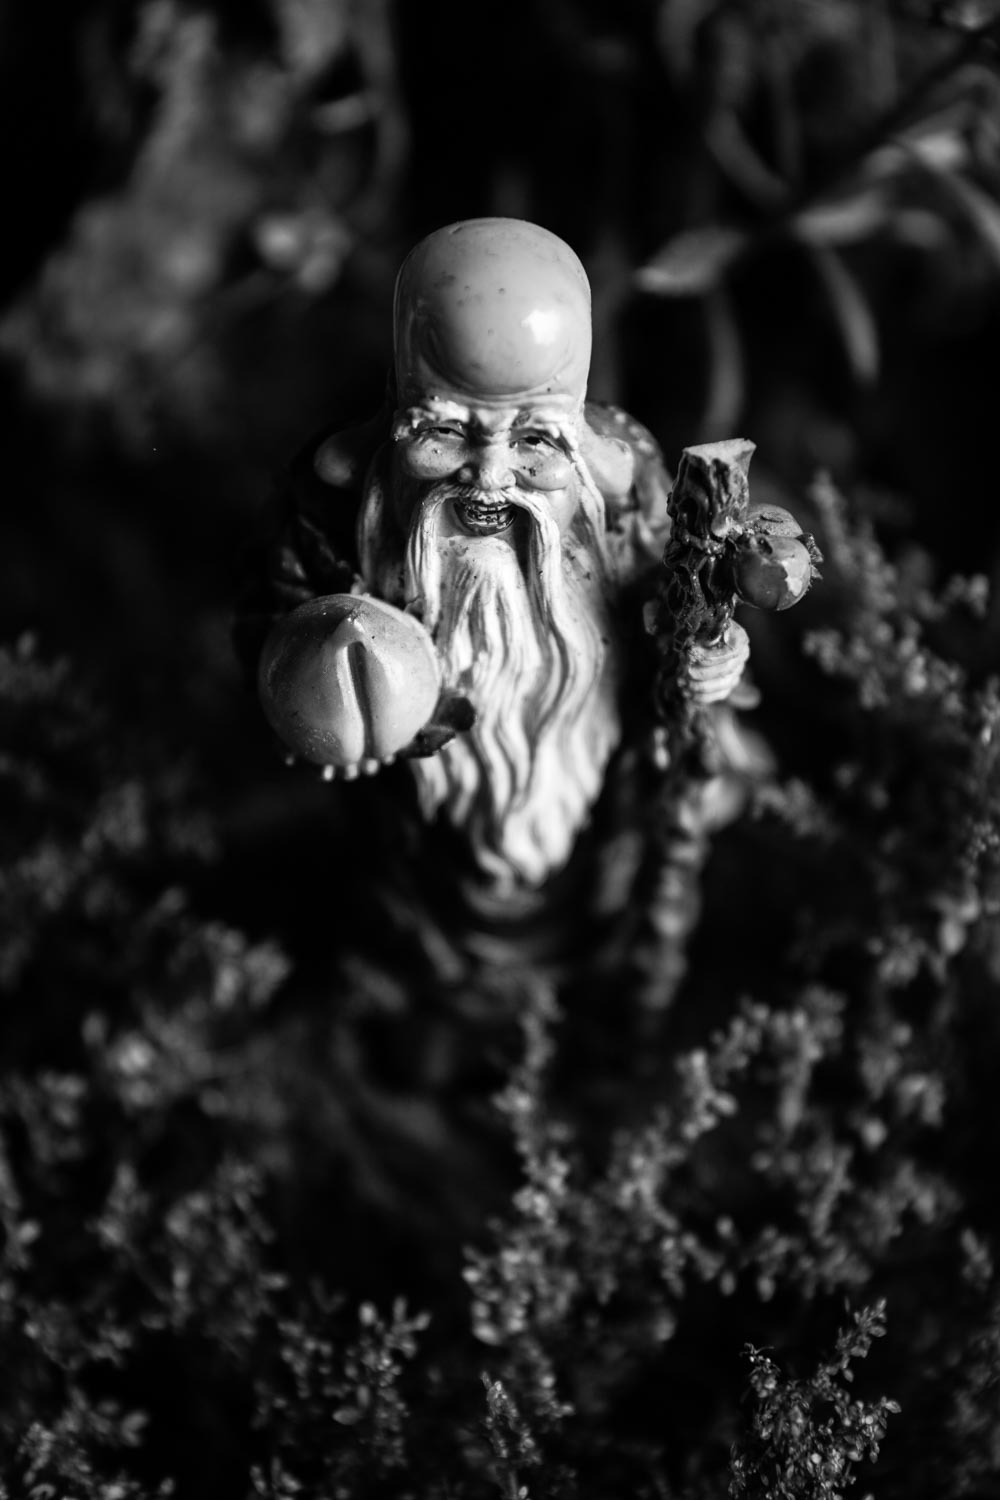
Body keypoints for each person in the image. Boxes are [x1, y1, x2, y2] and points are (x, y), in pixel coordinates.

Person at [235, 218, 753, 981]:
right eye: (445, 434)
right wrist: (309, 708)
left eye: (535, 443)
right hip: (411, 847)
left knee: (603, 953)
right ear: (398, 410)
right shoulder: (330, 512)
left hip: (596, 830)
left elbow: (682, 604)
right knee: (413, 966)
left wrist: (716, 657)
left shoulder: (633, 497)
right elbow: (270, 626)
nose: (489, 475)